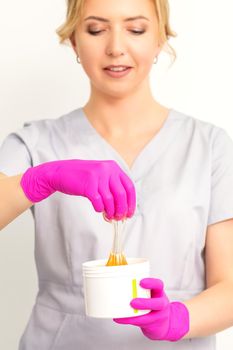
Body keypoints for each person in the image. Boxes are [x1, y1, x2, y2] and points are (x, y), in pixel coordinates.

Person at [0, 0, 233, 349]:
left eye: (136, 29)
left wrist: (179, 318)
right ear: (75, 42)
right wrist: (41, 180)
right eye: (96, 29)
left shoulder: (209, 145)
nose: (116, 48)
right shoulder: (35, 143)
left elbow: (229, 286)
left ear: (160, 39)